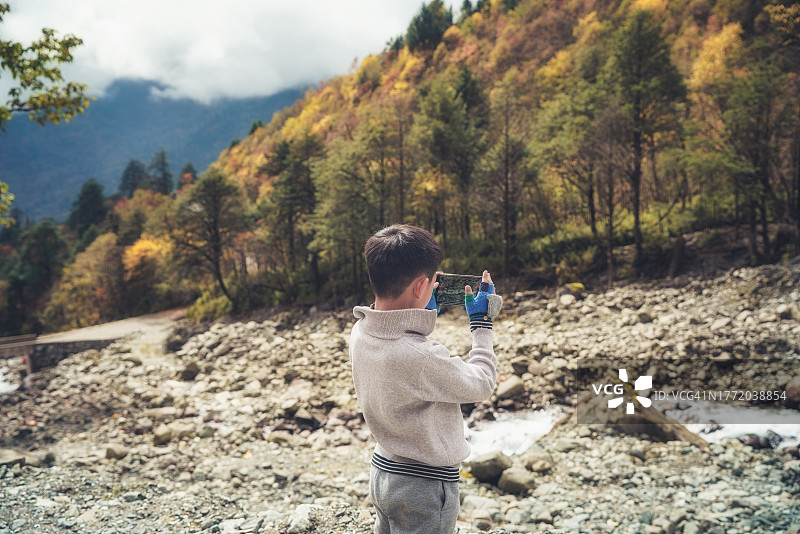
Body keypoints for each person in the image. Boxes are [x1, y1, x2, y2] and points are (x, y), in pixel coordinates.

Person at [350, 224, 502, 534]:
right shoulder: (422, 357)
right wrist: (481, 325)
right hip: (423, 486)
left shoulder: (361, 330)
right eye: (432, 282)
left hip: (383, 473)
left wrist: (420, 309)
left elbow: (398, 333)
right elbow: (482, 382)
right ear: (422, 285)